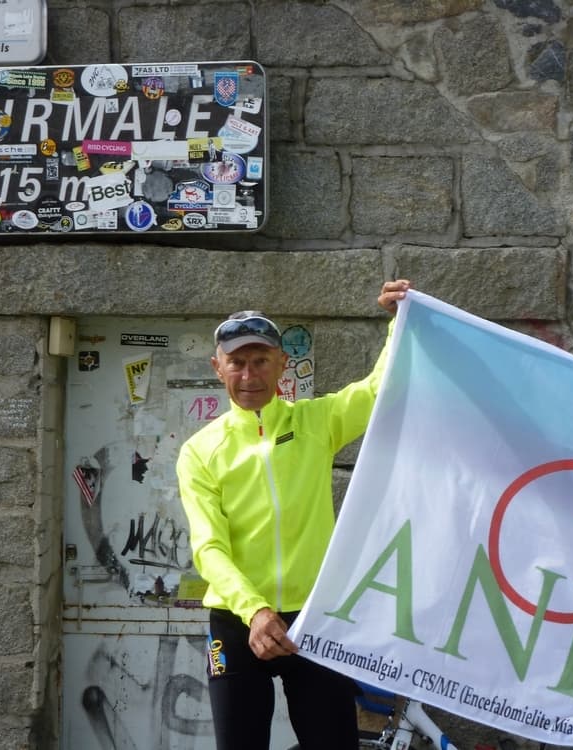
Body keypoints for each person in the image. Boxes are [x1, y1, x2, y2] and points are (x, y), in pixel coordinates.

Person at [176, 279, 411, 749]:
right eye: (237, 363)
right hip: (238, 624)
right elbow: (209, 548)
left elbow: (376, 389)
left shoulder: (314, 423)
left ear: (282, 364)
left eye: (261, 361)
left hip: (314, 618)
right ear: (217, 368)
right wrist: (255, 611)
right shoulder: (200, 451)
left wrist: (398, 321)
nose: (249, 375)